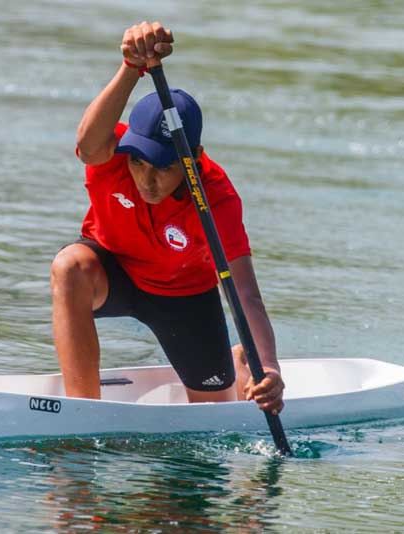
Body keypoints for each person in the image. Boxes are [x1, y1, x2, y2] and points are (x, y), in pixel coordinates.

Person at [50, 21, 284, 415]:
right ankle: (83, 409)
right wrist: (131, 66)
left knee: (212, 417)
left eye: (163, 167)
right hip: (113, 274)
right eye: (139, 162)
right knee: (69, 266)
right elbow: (88, 144)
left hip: (183, 297)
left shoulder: (216, 196)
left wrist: (270, 368)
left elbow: (245, 292)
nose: (146, 179)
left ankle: (240, 361)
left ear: (194, 159)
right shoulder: (112, 154)